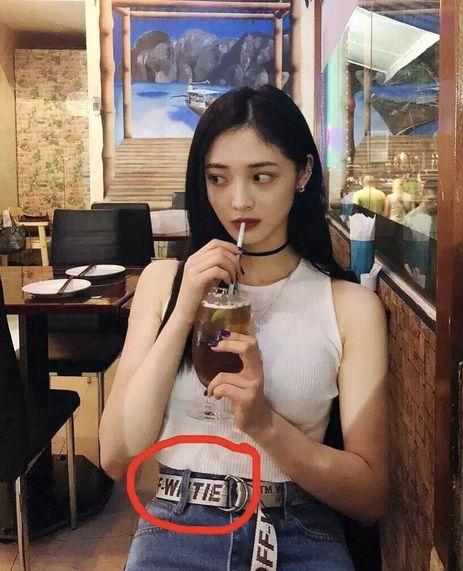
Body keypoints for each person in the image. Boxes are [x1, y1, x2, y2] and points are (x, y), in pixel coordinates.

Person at [99, 85, 389, 570]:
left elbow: (369, 496)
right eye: (218, 178)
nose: (238, 201)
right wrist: (184, 309)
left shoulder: (350, 307)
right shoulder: (163, 282)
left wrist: (263, 424)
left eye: (261, 176)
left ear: (303, 173)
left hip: (298, 531)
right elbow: (115, 456)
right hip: (177, 526)